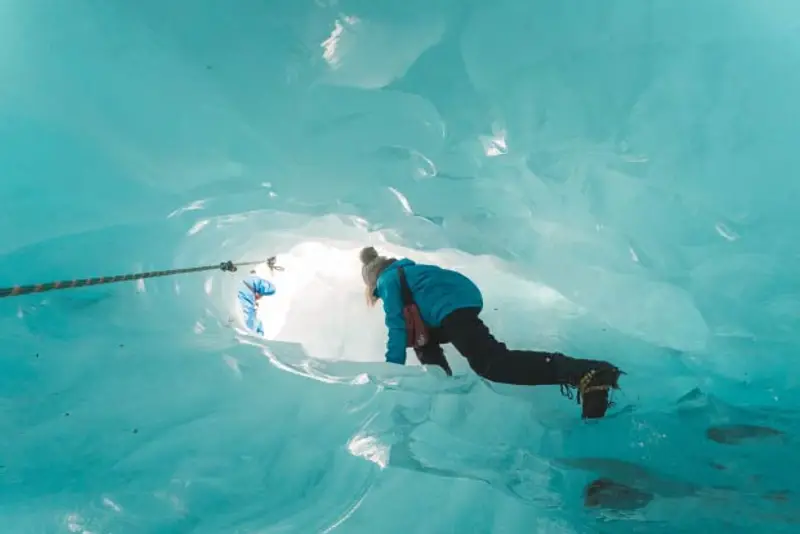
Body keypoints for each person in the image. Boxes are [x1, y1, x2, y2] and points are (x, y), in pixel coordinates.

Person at [360, 246, 623, 419]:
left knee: (492, 363)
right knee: (423, 342)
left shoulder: (387, 280)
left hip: (450, 309)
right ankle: (440, 383)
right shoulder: (413, 271)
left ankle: (582, 371)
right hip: (463, 301)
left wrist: (391, 372)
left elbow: (395, 326)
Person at [237, 270, 276, 336]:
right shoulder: (252, 281)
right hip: (245, 330)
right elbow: (271, 289)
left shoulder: (236, 283)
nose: (258, 298)